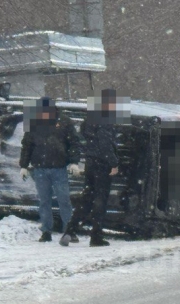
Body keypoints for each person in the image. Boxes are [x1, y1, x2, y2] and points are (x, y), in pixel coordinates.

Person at [60, 89, 120, 247]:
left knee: (87, 198)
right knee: (100, 201)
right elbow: (105, 143)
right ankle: (96, 236)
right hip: (103, 165)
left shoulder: (90, 118)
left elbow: (86, 138)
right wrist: (114, 163)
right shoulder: (106, 118)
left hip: (91, 163)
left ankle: (70, 230)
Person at [19, 97, 81, 243]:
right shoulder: (34, 122)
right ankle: (46, 231)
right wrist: (23, 165)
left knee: (64, 200)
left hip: (59, 168)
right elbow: (27, 145)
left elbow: (73, 143)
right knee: (44, 201)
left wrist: (73, 162)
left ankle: (69, 230)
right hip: (40, 169)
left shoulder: (64, 122)